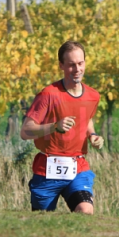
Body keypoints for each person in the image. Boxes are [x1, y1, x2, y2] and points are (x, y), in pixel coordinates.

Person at [20, 40, 104, 214]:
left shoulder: (93, 96)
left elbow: (86, 118)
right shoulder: (49, 94)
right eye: (71, 65)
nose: (77, 69)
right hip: (47, 168)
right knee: (42, 221)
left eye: (80, 63)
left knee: (85, 210)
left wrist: (93, 135)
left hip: (78, 167)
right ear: (61, 66)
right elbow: (26, 131)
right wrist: (53, 127)